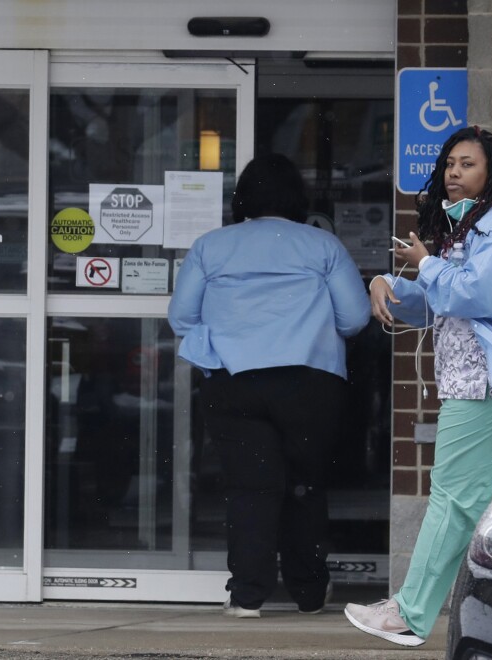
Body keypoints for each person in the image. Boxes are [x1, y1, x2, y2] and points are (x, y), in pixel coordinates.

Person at [344, 126, 492, 646]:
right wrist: (388, 283)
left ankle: (410, 614)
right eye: (450, 165)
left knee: (452, 499)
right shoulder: (465, 233)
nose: (455, 174)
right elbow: (437, 300)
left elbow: (477, 295)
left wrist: (427, 264)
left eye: (467, 165)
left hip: (484, 385)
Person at [168, 153, 370, 617]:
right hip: (310, 380)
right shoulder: (322, 246)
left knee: (249, 488)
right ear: (298, 198)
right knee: (304, 485)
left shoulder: (210, 246)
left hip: (234, 381)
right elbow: (356, 319)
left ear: (243, 198)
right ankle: (309, 591)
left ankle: (246, 596)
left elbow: (181, 317)